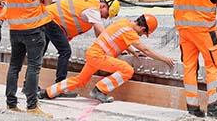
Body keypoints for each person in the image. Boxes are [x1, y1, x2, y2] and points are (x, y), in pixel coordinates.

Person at [45, 14, 174, 102]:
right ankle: (100, 89)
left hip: (93, 53)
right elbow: (145, 50)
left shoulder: (123, 23)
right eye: (144, 33)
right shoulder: (130, 32)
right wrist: (164, 59)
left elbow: (119, 39)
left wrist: (132, 51)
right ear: (143, 27)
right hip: (100, 56)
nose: (142, 35)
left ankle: (47, 92)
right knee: (127, 70)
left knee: (80, 80)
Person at [1, 0, 53, 115]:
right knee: (33, 67)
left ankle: (11, 102)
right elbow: (49, 0)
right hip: (32, 29)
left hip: (14, 29)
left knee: (14, 65)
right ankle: (32, 106)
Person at [40, 0, 119, 97]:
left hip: (47, 17)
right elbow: (102, 32)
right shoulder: (94, 11)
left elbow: (98, 35)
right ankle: (59, 88)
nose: (105, 17)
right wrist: (115, 45)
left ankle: (28, 86)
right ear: (104, 6)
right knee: (65, 51)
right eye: (107, 14)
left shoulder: (90, 3)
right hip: (51, 20)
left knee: (40, 52)